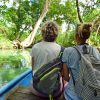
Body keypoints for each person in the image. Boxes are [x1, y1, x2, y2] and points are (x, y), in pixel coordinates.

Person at [62, 23, 100, 100]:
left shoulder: (68, 51)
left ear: (76, 36)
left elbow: (65, 77)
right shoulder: (95, 51)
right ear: (88, 36)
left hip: (72, 96)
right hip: (93, 95)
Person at [30, 21, 67, 98]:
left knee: (31, 82)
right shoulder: (62, 49)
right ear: (56, 34)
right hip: (55, 92)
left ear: (43, 33)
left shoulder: (35, 47)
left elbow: (33, 69)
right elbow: (63, 73)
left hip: (37, 90)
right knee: (65, 82)